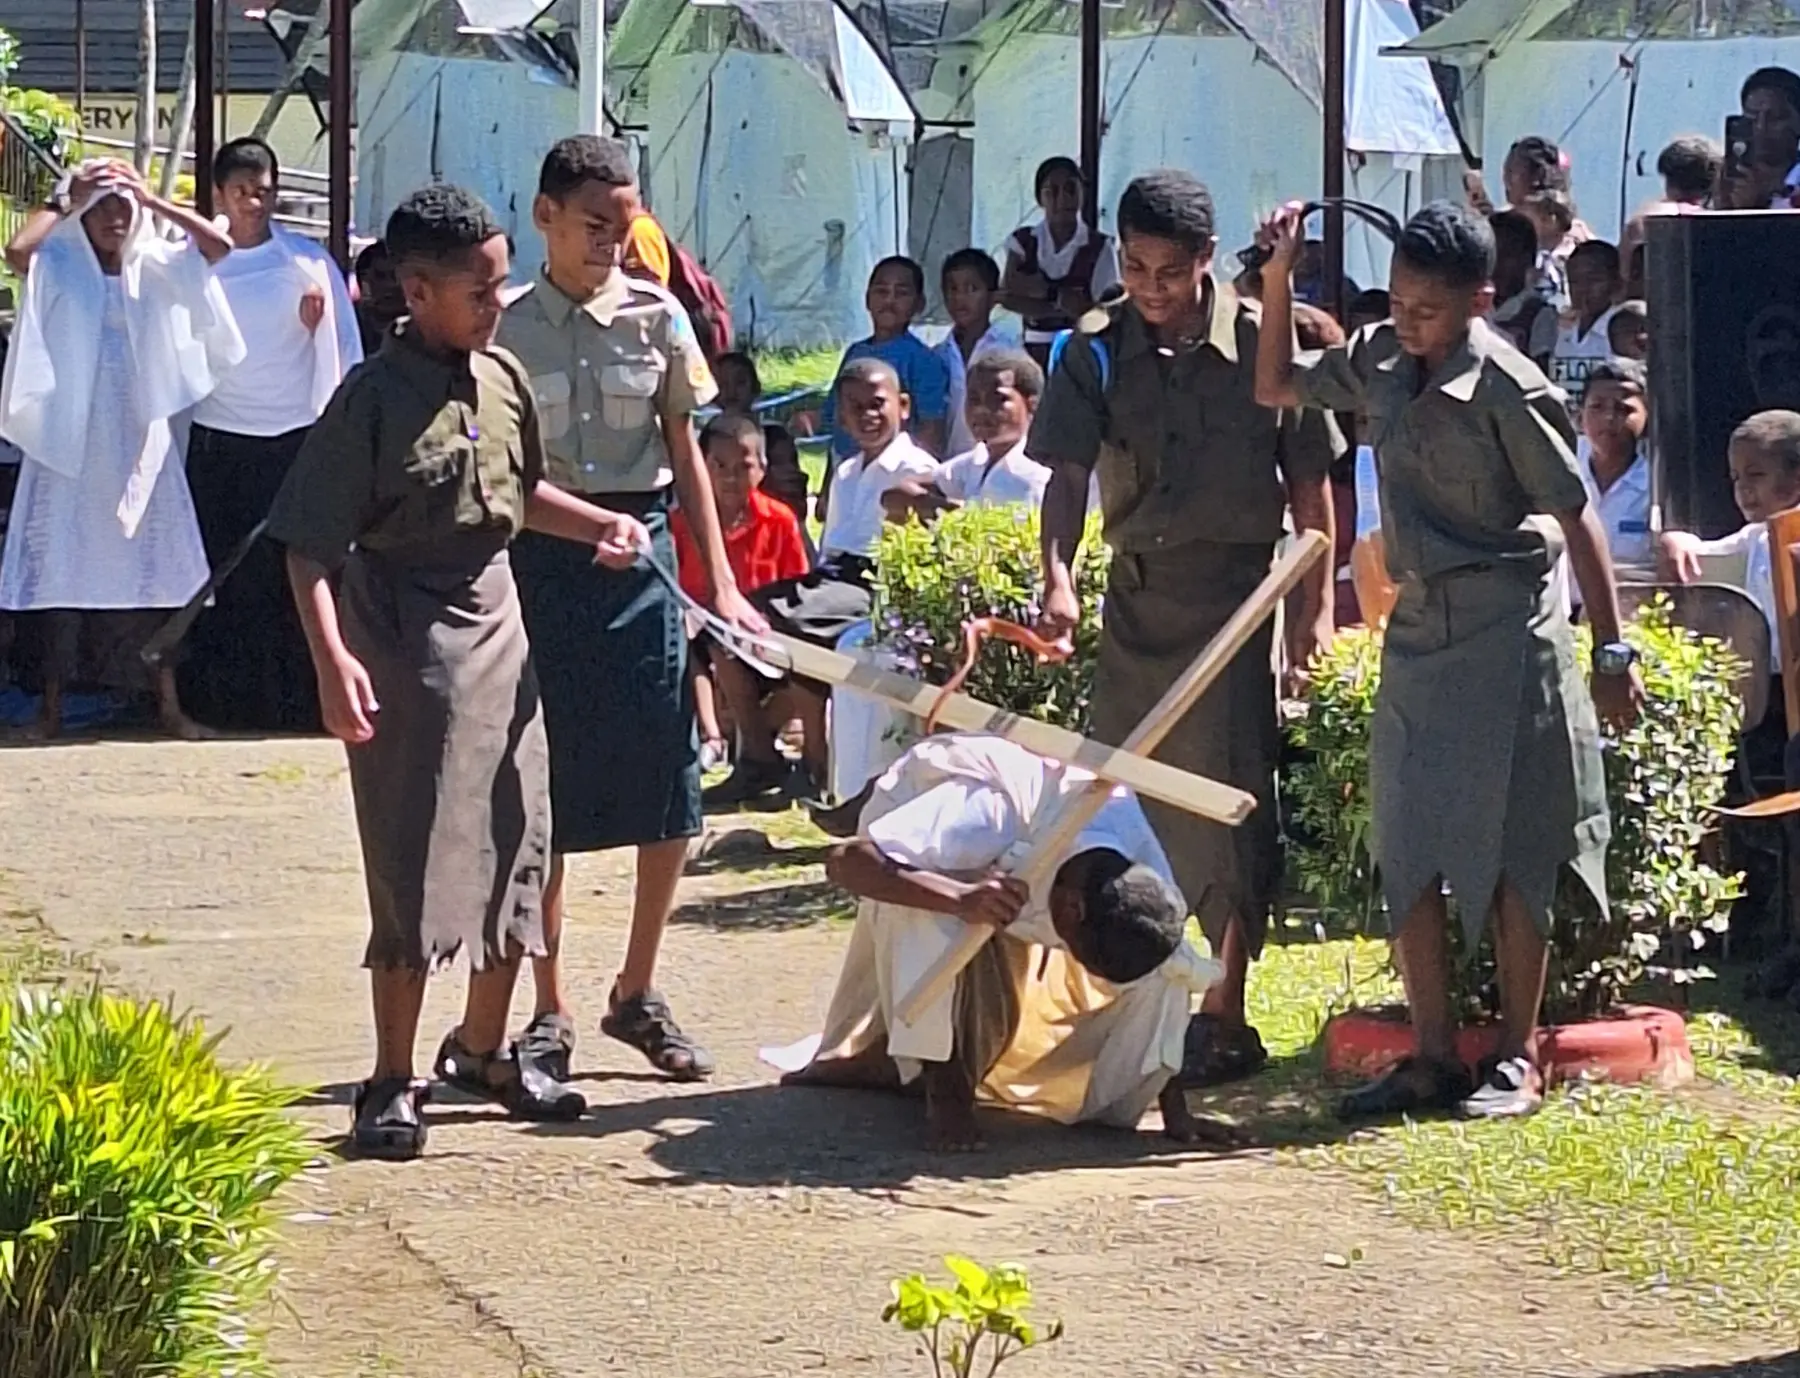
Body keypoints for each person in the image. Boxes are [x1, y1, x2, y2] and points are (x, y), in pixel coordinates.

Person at [265, 183, 655, 1156]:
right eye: (479, 291)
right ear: (418, 289)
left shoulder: (502, 378)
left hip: (500, 628)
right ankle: (392, 1079)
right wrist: (332, 662)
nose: (496, 303)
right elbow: (308, 547)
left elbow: (520, 491)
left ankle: (485, 1049)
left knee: (519, 846)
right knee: (413, 859)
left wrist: (599, 520)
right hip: (402, 632)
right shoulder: (370, 398)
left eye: (499, 284)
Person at [1254, 198, 1643, 1121]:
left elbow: (1576, 512)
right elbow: (1275, 386)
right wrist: (1278, 276)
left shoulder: (1511, 386)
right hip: (1421, 634)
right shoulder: (1382, 359)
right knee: (1409, 838)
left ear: (1481, 297)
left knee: (1518, 847)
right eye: (1398, 300)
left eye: (1429, 307)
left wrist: (1612, 647)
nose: (1410, 319)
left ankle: (1515, 1056)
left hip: (1512, 636)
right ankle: (1431, 1056)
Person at [1032, 169, 1338, 1089]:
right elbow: (1067, 479)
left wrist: (1310, 614)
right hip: (1134, 606)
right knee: (1123, 806)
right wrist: (1060, 579)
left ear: (1206, 262)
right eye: (1133, 266)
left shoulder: (1266, 343)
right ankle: (1132, 1000)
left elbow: (1314, 490)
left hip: (1235, 607)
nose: (1151, 289)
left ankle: (1224, 1010)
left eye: (1168, 270)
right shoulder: (1092, 348)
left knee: (1229, 813)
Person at [498, 134, 763, 1088]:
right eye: (592, 223)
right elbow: (504, 474)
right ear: (546, 220)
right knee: (547, 794)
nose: (612, 239)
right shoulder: (507, 328)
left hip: (641, 554)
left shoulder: (656, 319)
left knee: (669, 786)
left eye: (625, 222)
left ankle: (637, 992)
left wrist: (720, 580)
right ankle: (549, 1005)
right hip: (544, 566)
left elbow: (684, 451)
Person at [776, 732, 1225, 1151]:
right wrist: (960, 897)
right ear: (1071, 911)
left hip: (1017, 882)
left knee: (1166, 969)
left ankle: (886, 1063)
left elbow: (1172, 976)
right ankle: (944, 1090)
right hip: (916, 856)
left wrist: (1176, 1113)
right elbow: (847, 861)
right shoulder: (985, 813)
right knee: (929, 917)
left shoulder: (1141, 864)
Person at [0, 159, 238, 741]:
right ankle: (51, 710)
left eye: (122, 206)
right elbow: (16, 252)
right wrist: (65, 199)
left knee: (157, 575)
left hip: (140, 447)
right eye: (103, 205)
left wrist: (151, 200)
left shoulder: (154, 266)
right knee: (60, 574)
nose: (115, 217)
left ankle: (169, 707)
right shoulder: (59, 264)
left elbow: (218, 248)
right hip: (68, 448)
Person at [181, 137, 362, 734]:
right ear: (218, 194)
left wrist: (317, 328)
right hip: (217, 434)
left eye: (264, 191)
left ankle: (295, 703)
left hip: (291, 439)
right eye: (242, 192)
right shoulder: (190, 260)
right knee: (220, 581)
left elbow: (344, 358)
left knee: (290, 577)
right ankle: (219, 703)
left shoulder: (306, 262)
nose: (255, 203)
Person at [755, 358, 940, 794]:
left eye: (878, 404)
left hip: (875, 584)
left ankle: (817, 767)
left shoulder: (917, 468)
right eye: (854, 407)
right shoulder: (844, 472)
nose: (867, 416)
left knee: (793, 626)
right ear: (840, 415)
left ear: (904, 406)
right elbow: (831, 553)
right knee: (749, 623)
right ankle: (768, 759)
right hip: (834, 579)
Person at [676, 411, 810, 805]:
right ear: (700, 467)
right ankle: (714, 736)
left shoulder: (780, 520)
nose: (732, 477)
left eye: (744, 466)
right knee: (701, 643)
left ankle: (755, 751)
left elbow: (796, 591)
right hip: (704, 633)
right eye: (719, 466)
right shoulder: (683, 523)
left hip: (766, 633)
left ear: (762, 468)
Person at [1660, 410, 1800, 652]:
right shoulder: (1757, 536)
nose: (1743, 487)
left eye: (1756, 474)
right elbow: (1704, 552)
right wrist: (1675, 539)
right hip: (1773, 678)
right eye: (1735, 477)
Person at [882, 350, 1050, 524]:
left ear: (1033, 405)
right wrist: (951, 513)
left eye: (999, 399)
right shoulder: (977, 461)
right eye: (974, 399)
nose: (982, 409)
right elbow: (894, 495)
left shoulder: (1037, 473)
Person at [819, 257, 949, 461]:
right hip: (848, 470)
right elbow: (838, 422)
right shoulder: (855, 352)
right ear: (867, 299)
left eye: (901, 293)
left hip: (893, 473)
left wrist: (917, 478)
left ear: (919, 304)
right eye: (882, 291)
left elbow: (931, 429)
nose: (889, 301)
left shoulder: (923, 361)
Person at [1001, 157, 1122, 369]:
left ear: (1082, 194)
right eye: (1052, 191)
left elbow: (1106, 310)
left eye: (1070, 189)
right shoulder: (1023, 241)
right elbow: (1009, 295)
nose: (1062, 199)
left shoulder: (1100, 247)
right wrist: (1061, 300)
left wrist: (1041, 295)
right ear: (1040, 198)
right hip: (1031, 351)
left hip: (1081, 350)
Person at [935, 248, 1016, 458]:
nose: (960, 298)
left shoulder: (1010, 353)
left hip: (995, 464)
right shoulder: (937, 356)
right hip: (948, 466)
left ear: (993, 297)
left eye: (972, 289)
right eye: (952, 289)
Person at [1576, 358, 1654, 569]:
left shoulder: (1659, 484)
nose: (1609, 417)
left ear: (1648, 417)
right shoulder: (1561, 466)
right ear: (1579, 415)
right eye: (1597, 406)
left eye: (1624, 409)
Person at [1548, 240, 1624, 422]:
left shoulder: (1620, 331)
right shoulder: (1561, 331)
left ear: (1616, 282)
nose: (1582, 289)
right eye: (1575, 280)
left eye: (1593, 280)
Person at [1488, 210, 1558, 370]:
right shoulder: (1473, 308)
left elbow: (1542, 372)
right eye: (1493, 254)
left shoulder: (1537, 312)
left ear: (1528, 258)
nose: (1498, 263)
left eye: (1507, 255)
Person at [1722, 67, 1800, 209]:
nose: (1761, 127)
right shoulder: (1728, 178)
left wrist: (1755, 208)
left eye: (1776, 118)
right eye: (1752, 116)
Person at [352, 239, 405, 354]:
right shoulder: (351, 323)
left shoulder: (423, 327)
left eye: (396, 276)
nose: (391, 284)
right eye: (381, 276)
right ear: (364, 281)